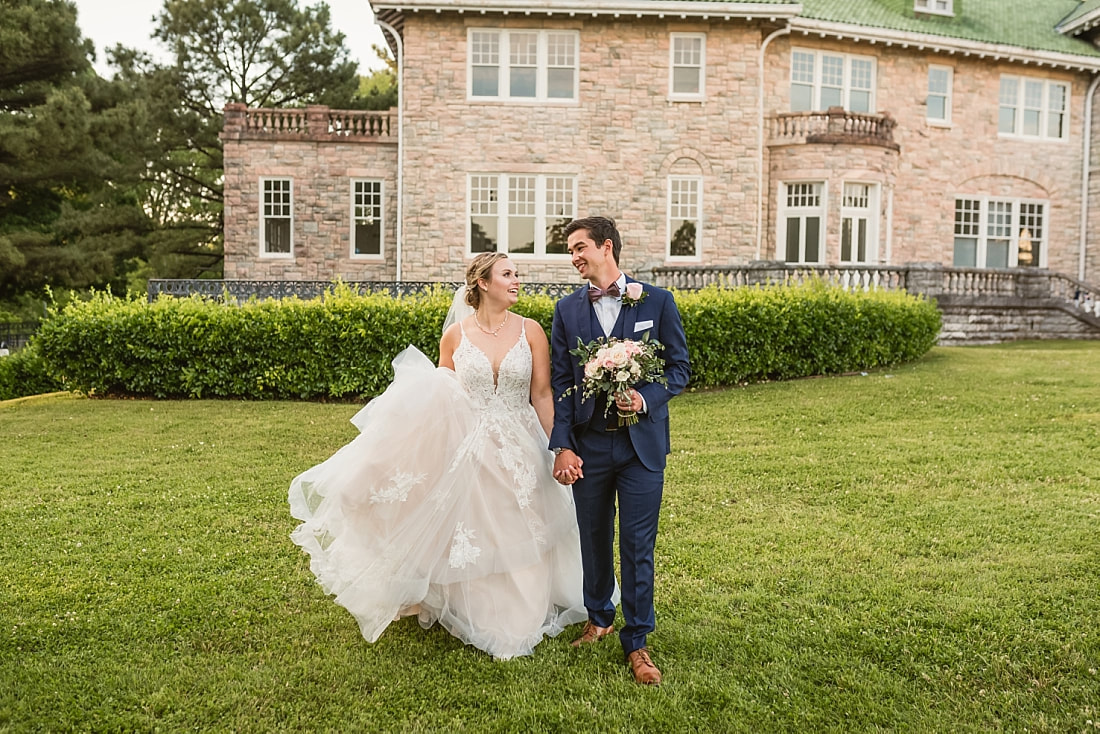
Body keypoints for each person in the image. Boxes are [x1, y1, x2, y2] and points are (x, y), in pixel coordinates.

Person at [288, 253, 586, 660]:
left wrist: (560, 447)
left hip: (520, 440)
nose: (517, 280)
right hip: (472, 443)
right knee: (475, 525)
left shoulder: (530, 330)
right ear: (483, 283)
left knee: (522, 522)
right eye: (507, 274)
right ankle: (469, 603)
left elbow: (541, 394)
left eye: (517, 274)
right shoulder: (456, 337)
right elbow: (443, 397)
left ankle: (523, 605)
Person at [549, 216, 691, 685]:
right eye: (570, 250)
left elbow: (679, 368)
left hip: (641, 448)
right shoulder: (567, 311)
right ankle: (599, 617)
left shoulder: (657, 301)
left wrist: (646, 397)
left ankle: (639, 641)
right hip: (589, 446)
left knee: (636, 545)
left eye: (579, 247)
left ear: (606, 247)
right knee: (592, 537)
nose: (573, 257)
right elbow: (562, 383)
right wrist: (563, 446)